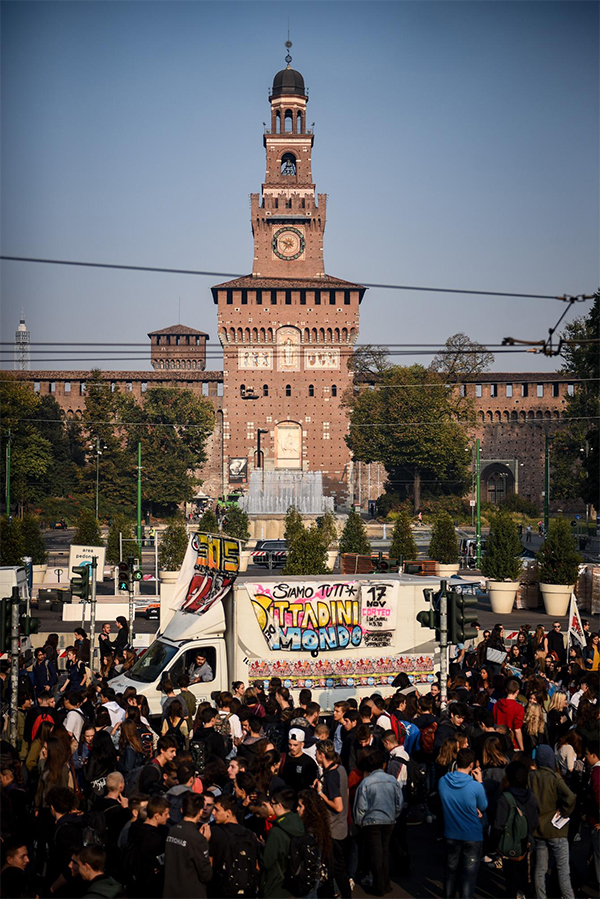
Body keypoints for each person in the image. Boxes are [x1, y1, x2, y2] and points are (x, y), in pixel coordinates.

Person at [528, 744, 576, 899]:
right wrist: (564, 811)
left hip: (539, 830)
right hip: (556, 830)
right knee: (563, 871)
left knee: (540, 869)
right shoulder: (555, 778)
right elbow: (571, 797)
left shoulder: (531, 777)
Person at [438, 748, 488, 899]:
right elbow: (484, 805)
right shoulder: (475, 786)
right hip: (472, 835)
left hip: (451, 833)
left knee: (450, 871)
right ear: (471, 765)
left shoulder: (443, 781)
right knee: (468, 876)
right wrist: (480, 781)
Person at [353, 750, 403, 896]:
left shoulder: (366, 782)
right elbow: (399, 802)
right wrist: (394, 815)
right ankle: (386, 884)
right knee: (384, 851)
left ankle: (378, 885)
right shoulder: (392, 780)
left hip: (371, 821)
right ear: (383, 764)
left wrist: (360, 822)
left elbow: (361, 806)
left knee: (375, 853)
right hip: (388, 820)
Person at [491, 761, 539, 899]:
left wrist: (492, 845)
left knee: (511, 882)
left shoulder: (504, 798)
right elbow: (535, 821)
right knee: (528, 881)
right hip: (528, 844)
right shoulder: (531, 796)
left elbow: (498, 825)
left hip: (509, 846)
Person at [315, 740, 351, 898]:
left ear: (322, 755)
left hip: (333, 828)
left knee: (335, 868)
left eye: (317, 753)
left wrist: (320, 794)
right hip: (341, 826)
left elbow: (338, 806)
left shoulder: (331, 776)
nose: (315, 756)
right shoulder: (341, 769)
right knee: (338, 867)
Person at [208, 793, 260, 898]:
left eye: (217, 810)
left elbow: (209, 864)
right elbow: (256, 866)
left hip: (222, 890)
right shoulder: (249, 834)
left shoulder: (215, 832)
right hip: (247, 891)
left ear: (228, 813)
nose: (213, 813)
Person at [163, 792, 212, 898]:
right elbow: (206, 874)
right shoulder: (198, 839)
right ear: (200, 812)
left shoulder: (172, 830)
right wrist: (205, 842)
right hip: (190, 892)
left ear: (182, 809)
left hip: (171, 892)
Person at [261, 787, 306, 899]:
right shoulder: (299, 824)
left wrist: (262, 847)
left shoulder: (276, 832)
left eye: (272, 803)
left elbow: (267, 862)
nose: (270, 806)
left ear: (279, 805)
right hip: (296, 883)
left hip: (277, 886)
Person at [125, 794, 170, 898]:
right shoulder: (155, 839)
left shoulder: (135, 829)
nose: (169, 816)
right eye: (166, 814)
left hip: (135, 886)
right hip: (150, 888)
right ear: (157, 815)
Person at [281, 728, 318, 794]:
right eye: (290, 744)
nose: (292, 747)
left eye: (295, 745)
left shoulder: (309, 762)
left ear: (302, 745)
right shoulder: (282, 758)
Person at [584, 740, 600, 885]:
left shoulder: (596, 773)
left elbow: (598, 797)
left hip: (596, 822)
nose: (585, 758)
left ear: (594, 755)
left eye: (587, 754)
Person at [493, 679, 525, 750]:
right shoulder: (518, 708)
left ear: (506, 690)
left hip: (498, 741)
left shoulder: (496, 705)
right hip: (512, 743)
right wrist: (521, 747)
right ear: (517, 691)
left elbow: (495, 723)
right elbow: (517, 729)